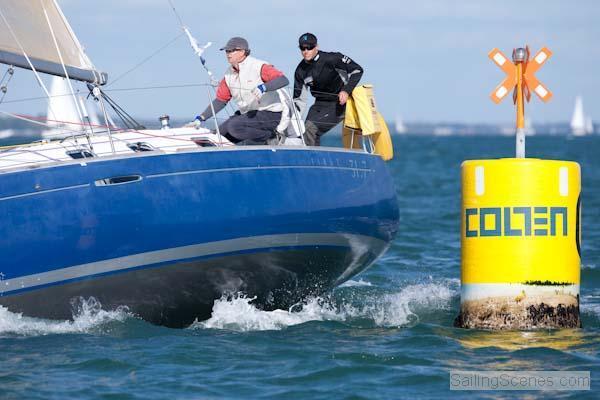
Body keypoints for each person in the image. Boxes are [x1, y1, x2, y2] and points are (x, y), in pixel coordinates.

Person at [195, 37, 289, 145]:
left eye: (232, 50)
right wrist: (201, 118)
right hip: (249, 115)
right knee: (217, 136)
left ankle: (272, 136)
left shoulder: (258, 66)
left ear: (242, 52)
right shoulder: (228, 74)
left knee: (234, 126)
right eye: (227, 51)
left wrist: (263, 87)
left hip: (270, 114)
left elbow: (283, 80)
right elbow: (221, 100)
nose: (228, 54)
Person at [293, 33, 363, 146]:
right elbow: (299, 100)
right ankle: (310, 160)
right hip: (319, 105)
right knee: (302, 132)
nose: (306, 51)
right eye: (302, 48)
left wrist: (346, 90)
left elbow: (357, 70)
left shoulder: (333, 59)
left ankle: (313, 161)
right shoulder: (300, 71)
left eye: (309, 47)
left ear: (316, 47)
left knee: (311, 128)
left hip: (340, 103)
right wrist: (292, 123)